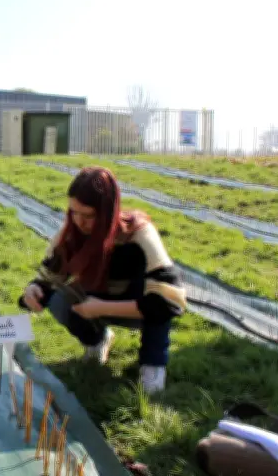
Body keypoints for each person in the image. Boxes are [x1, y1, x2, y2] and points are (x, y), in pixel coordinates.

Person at [18, 167, 186, 394]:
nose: (79, 222)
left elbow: (169, 300)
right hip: (96, 300)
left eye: (88, 215)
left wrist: (101, 308)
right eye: (73, 212)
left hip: (138, 305)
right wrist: (33, 291)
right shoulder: (70, 234)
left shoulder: (139, 233)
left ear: (107, 211)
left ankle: (152, 366)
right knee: (58, 301)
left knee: (157, 302)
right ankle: (97, 340)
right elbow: (49, 278)